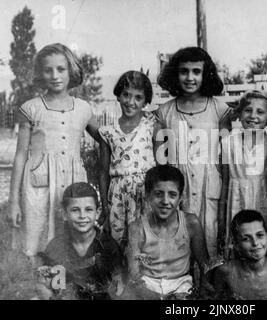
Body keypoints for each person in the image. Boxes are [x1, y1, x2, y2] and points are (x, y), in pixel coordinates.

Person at [7, 43, 100, 259]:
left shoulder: (84, 108)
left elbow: (107, 140)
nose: (55, 75)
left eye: (61, 69)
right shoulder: (31, 108)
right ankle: (43, 287)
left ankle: (70, 286)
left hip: (74, 183)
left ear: (71, 70)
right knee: (38, 241)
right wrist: (13, 201)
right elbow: (20, 155)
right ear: (40, 73)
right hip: (40, 186)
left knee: (73, 239)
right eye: (48, 70)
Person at [155, 47, 232, 259]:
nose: (190, 77)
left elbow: (226, 156)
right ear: (174, 74)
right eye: (184, 71)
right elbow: (160, 159)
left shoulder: (220, 110)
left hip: (210, 186)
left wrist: (224, 191)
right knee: (178, 243)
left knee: (210, 239)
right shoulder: (165, 112)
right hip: (177, 187)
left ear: (205, 74)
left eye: (196, 71)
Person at [123, 165, 212, 299]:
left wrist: (199, 295)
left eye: (172, 195)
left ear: (180, 198)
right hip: (148, 287)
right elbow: (134, 275)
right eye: (158, 194)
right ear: (148, 196)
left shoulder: (191, 223)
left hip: (181, 286)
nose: (165, 201)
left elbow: (205, 267)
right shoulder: (137, 228)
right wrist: (158, 297)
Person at [98, 71, 156, 249]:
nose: (131, 102)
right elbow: (102, 171)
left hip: (145, 192)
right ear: (118, 95)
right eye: (126, 95)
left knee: (146, 242)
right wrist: (106, 209)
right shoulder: (107, 131)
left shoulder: (153, 126)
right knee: (118, 243)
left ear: (146, 102)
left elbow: (163, 168)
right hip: (117, 194)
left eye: (138, 98)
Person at [36, 182, 123, 300]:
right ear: (64, 214)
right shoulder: (55, 246)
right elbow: (49, 288)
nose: (82, 215)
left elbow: (118, 289)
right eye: (75, 210)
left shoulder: (109, 247)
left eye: (88, 209)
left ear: (97, 213)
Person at [219, 90, 267, 259]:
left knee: (261, 249)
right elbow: (225, 183)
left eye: (260, 112)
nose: (253, 116)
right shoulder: (228, 143)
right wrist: (222, 221)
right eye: (248, 110)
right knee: (238, 250)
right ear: (239, 113)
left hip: (262, 201)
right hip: (236, 202)